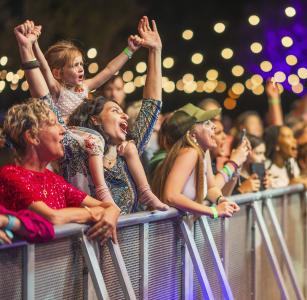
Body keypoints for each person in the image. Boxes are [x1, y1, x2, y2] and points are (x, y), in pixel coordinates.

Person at [16, 17, 167, 213]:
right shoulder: (72, 150)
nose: (125, 116)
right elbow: (42, 94)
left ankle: (147, 192)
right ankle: (104, 195)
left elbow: (150, 106)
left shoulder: (126, 150)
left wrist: (154, 50)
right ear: (94, 118)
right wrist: (29, 47)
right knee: (93, 140)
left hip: (126, 243)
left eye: (123, 111)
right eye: (114, 110)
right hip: (84, 240)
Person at [0, 99, 120, 244]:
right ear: (32, 137)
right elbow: (53, 218)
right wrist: (95, 213)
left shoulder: (54, 179)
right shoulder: (10, 174)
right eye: (53, 123)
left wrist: (112, 213)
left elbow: (109, 207)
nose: (63, 130)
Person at [151, 104, 240, 218]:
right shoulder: (190, 152)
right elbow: (171, 196)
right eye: (207, 123)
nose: (214, 126)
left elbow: (211, 188)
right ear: (192, 134)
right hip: (166, 233)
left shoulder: (200, 153)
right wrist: (213, 211)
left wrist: (221, 200)